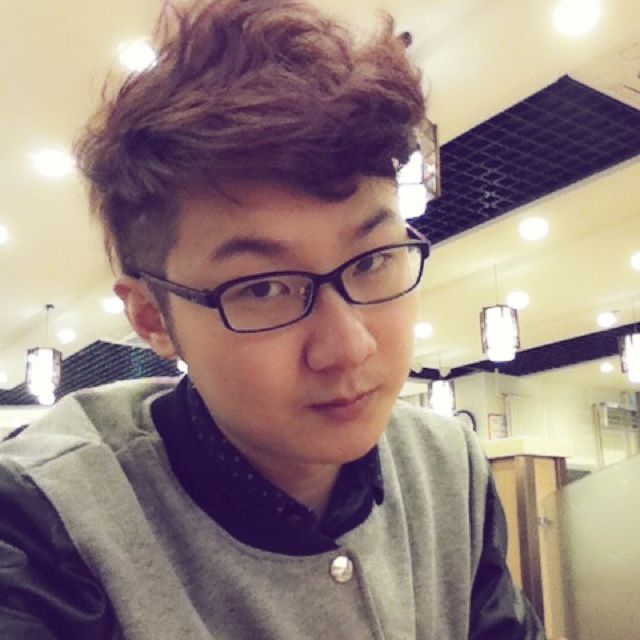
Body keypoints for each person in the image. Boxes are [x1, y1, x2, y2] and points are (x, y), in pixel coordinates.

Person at [0, 0, 546, 638]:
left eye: (373, 260)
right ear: (152, 318)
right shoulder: (45, 524)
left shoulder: (449, 469)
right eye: (263, 288)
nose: (348, 346)